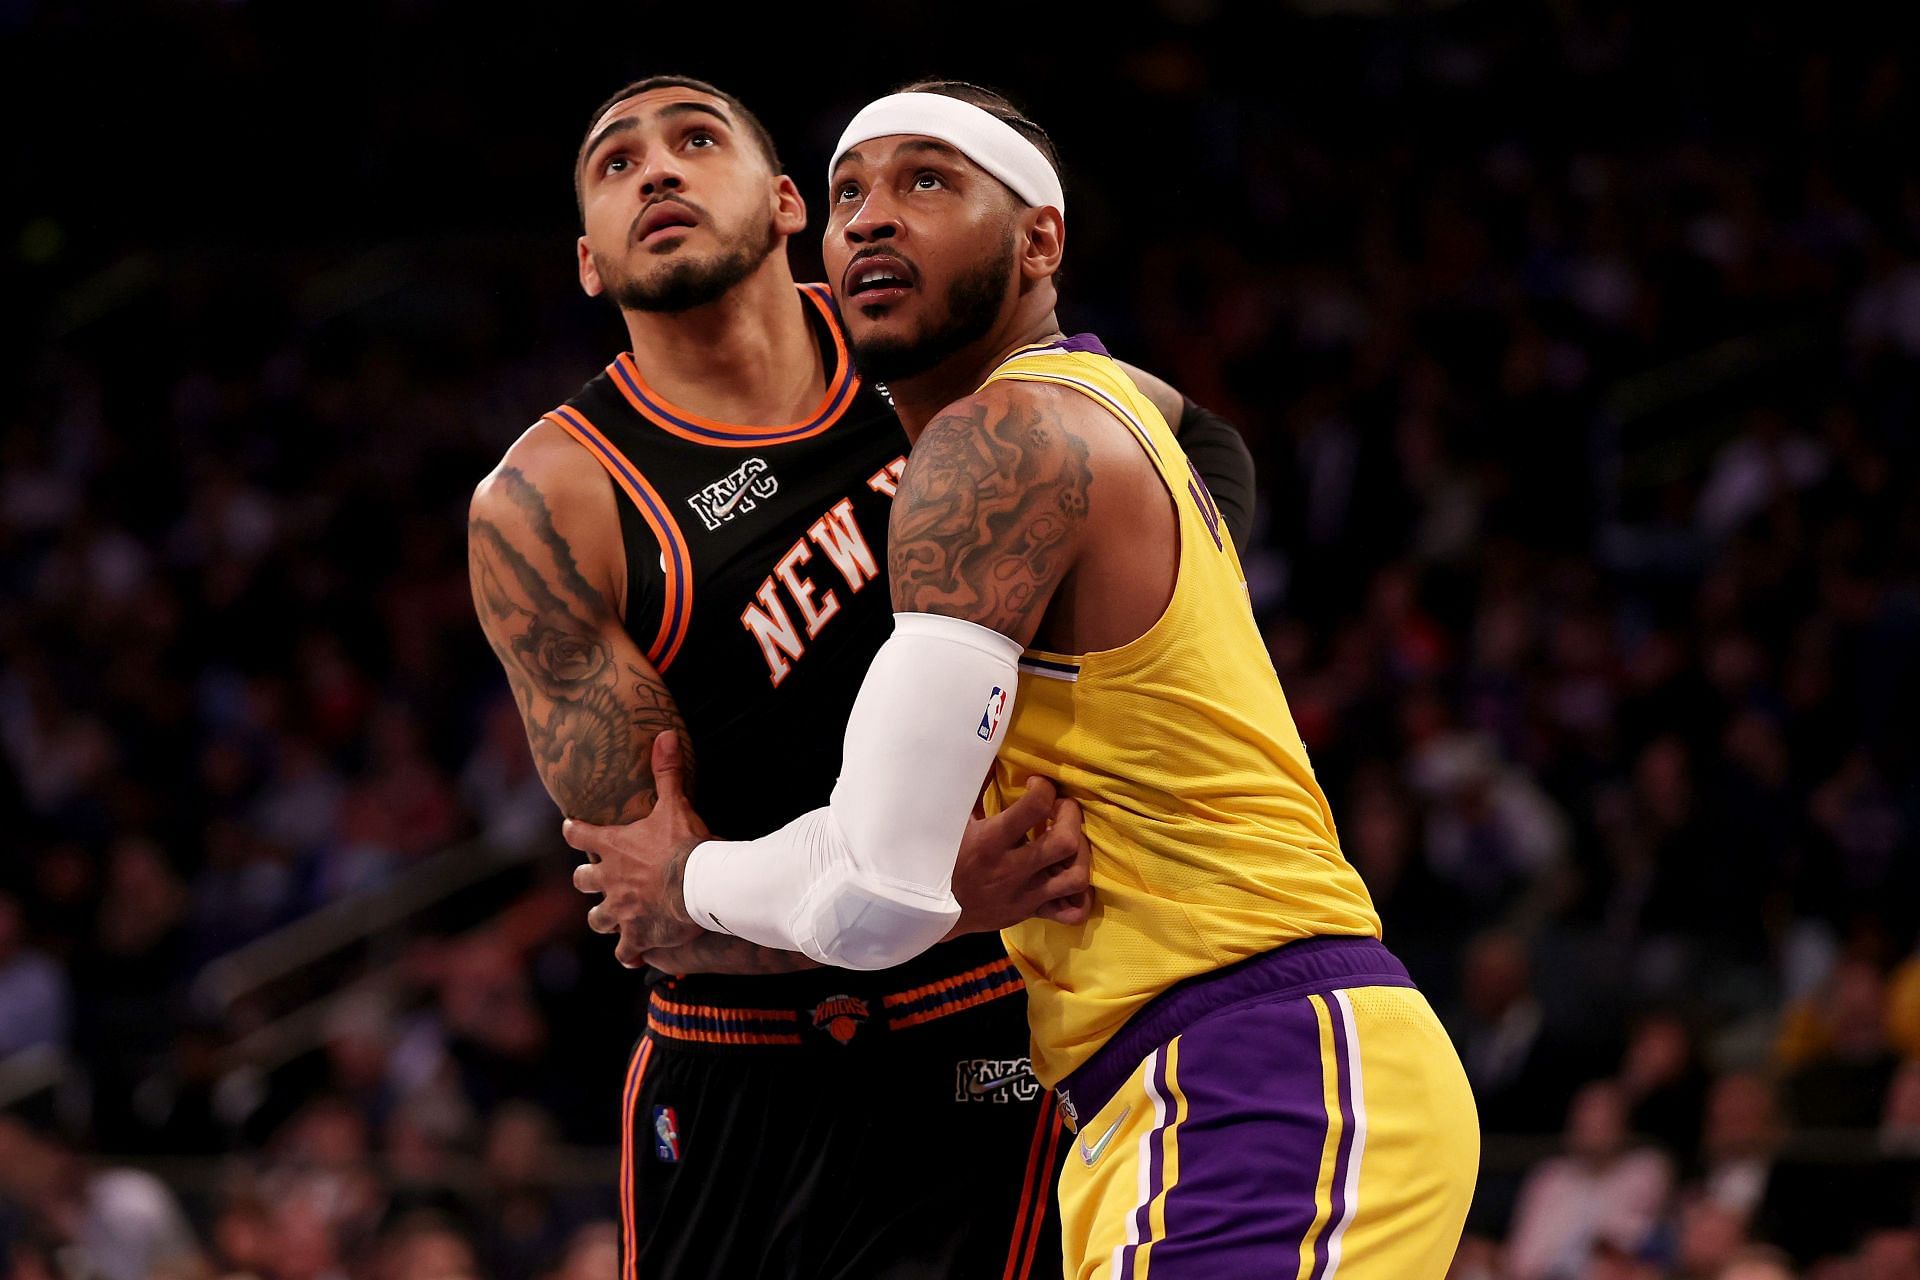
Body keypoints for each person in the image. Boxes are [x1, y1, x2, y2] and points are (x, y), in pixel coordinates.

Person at [564, 81, 1476, 1277]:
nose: (874, 218)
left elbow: (872, 892)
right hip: (1167, 1091)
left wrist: (683, 873)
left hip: (1254, 1069)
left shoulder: (1001, 439)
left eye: (927, 182)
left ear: (1041, 238)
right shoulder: (1094, 398)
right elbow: (1219, 449)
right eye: (850, 194)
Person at [470, 75, 1256, 1279]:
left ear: (791, 205)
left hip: (981, 1020)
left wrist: (1139, 667)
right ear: (588, 260)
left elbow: (1186, 441)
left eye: (695, 142)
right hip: (739, 1053)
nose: (659, 173)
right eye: (617, 165)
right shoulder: (550, 503)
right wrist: (931, 890)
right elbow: (656, 904)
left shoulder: (916, 335)